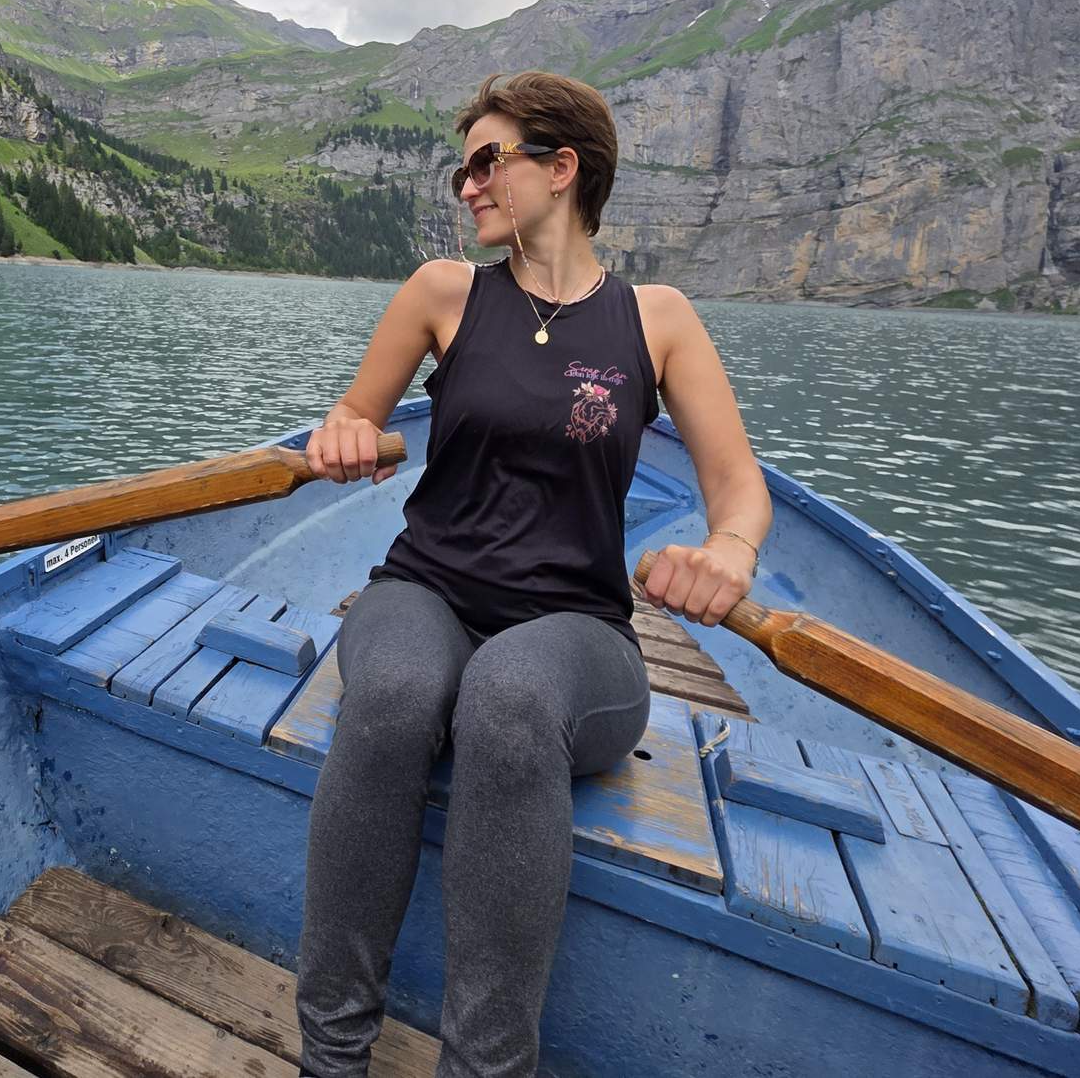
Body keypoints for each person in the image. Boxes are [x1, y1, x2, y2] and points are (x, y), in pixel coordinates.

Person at [293, 69, 772, 1078]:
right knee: (392, 693)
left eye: (485, 161)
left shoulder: (658, 321)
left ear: (561, 169)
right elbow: (356, 423)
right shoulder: (442, 293)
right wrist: (341, 434)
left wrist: (724, 553)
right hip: (419, 592)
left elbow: (736, 491)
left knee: (507, 701)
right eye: (458, 166)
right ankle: (329, 1059)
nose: (465, 185)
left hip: (577, 634)